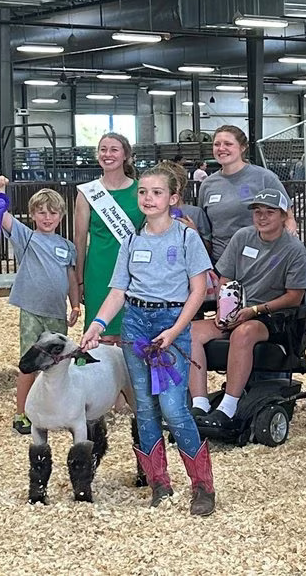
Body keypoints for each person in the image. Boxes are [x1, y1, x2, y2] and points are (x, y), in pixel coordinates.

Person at [79, 164, 217, 516]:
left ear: (172, 198)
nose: (148, 198)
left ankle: (201, 486)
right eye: (143, 192)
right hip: (136, 324)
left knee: (173, 406)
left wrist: (175, 331)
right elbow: (119, 291)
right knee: (144, 406)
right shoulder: (131, 240)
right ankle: (159, 483)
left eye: (156, 193)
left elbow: (198, 290)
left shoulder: (186, 238)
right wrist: (97, 324)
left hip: (171, 323)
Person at [187, 188, 306, 429]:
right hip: (237, 310)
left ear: (284, 216)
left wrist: (254, 311)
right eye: (257, 212)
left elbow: (295, 297)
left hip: (272, 318)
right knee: (189, 332)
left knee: (243, 333)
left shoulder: (295, 250)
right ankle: (200, 403)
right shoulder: (242, 237)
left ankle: (228, 407)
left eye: (269, 212)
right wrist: (226, 309)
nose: (262, 217)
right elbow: (225, 277)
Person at [0, 177, 81, 435]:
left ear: (61, 216)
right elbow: (2, 217)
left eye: (52, 213)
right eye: (41, 212)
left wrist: (75, 306)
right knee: (29, 363)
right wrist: (0, 191)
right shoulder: (26, 237)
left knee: (56, 365)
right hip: (32, 310)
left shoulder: (67, 247)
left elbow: (72, 279)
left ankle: (55, 412)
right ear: (32, 215)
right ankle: (22, 414)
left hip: (57, 313)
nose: (47, 217)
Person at [75, 133, 144, 343]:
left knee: (131, 335)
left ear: (126, 155)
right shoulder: (87, 192)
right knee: (100, 336)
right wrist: (79, 280)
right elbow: (79, 240)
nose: (107, 154)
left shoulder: (140, 189)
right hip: (98, 271)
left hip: (135, 270)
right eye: (103, 149)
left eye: (114, 149)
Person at [197, 125, 295, 264]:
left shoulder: (264, 178)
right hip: (221, 261)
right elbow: (205, 227)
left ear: (243, 147)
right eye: (217, 144)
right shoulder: (208, 184)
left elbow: (288, 217)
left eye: (228, 144)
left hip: (259, 262)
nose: (221, 148)